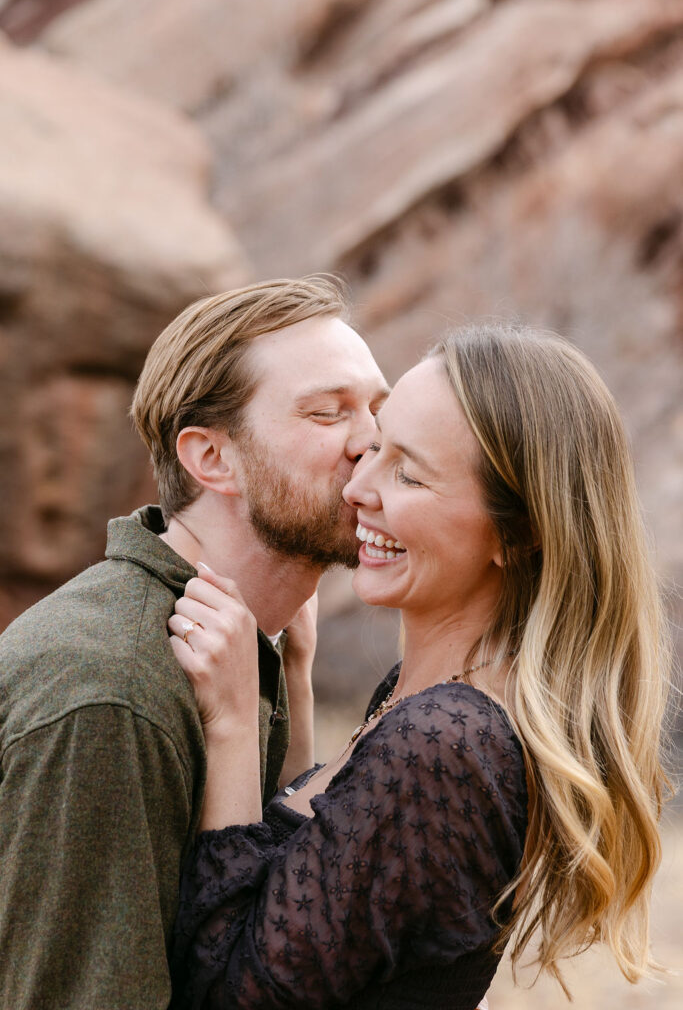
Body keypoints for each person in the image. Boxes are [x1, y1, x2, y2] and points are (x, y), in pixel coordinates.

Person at [169, 325, 670, 1010]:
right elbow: (318, 897)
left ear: (517, 533)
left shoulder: (442, 745)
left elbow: (232, 994)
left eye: (406, 472)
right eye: (374, 448)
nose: (358, 488)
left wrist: (230, 726)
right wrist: (294, 682)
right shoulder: (428, 699)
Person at [0, 276, 388, 1010]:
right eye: (326, 412)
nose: (371, 440)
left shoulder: (235, 651)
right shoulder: (110, 689)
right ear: (212, 459)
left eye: (377, 408)